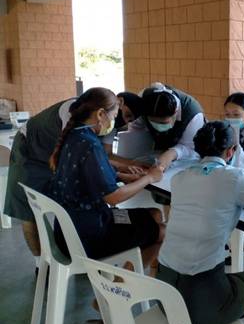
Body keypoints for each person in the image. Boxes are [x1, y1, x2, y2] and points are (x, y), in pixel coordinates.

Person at [156, 121, 244, 324]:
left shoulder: (179, 178)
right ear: (231, 151)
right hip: (202, 304)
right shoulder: (235, 178)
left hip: (165, 297)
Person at [3, 90, 144, 269]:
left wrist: (123, 172)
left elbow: (96, 163)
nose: (124, 121)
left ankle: (86, 257)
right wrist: (142, 176)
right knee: (27, 209)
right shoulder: (76, 125)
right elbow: (92, 165)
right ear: (109, 109)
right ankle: (41, 265)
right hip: (30, 149)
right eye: (122, 115)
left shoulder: (93, 128)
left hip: (62, 170)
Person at [47, 87, 164, 266]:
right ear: (101, 114)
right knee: (161, 231)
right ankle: (121, 283)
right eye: (114, 115)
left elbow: (89, 175)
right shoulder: (90, 144)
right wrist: (149, 178)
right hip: (88, 236)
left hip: (68, 230)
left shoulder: (74, 134)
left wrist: (122, 176)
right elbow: (113, 197)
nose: (114, 122)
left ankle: (125, 273)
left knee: (154, 214)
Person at [128, 82, 205, 170]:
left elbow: (190, 147)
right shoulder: (143, 101)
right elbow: (135, 128)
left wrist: (171, 154)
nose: (158, 127)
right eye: (153, 122)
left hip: (186, 157)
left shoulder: (193, 114)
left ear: (175, 113)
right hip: (157, 149)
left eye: (163, 123)